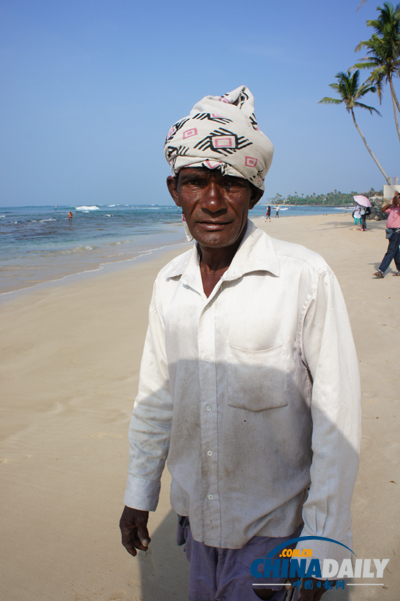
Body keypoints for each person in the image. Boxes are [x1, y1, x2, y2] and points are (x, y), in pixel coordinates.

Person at [119, 86, 361, 601]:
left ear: (255, 193)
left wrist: (323, 545)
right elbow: (156, 399)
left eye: (230, 183)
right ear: (173, 189)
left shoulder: (303, 278)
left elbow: (338, 421)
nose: (211, 201)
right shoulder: (169, 285)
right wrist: (139, 494)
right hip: (196, 526)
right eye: (195, 183)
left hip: (275, 533)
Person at [373, 192, 400, 278]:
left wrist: (397, 198)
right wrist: (390, 203)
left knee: (390, 251)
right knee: (395, 252)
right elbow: (383, 210)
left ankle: (381, 270)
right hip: (390, 232)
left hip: (397, 232)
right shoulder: (392, 208)